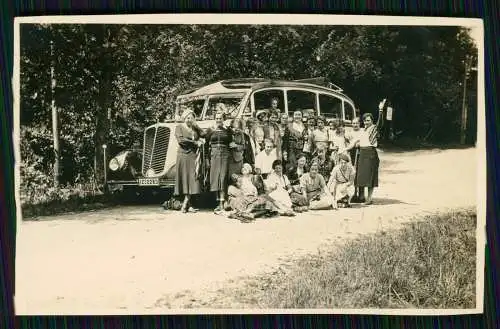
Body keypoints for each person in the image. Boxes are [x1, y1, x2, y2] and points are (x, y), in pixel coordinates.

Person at [347, 102, 385, 205]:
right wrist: (345, 149)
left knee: (370, 177)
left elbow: (380, 123)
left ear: (372, 121)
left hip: (370, 153)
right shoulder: (363, 130)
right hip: (362, 154)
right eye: (365, 120)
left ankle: (369, 198)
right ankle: (361, 196)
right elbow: (355, 142)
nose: (366, 122)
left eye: (368, 120)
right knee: (361, 176)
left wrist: (380, 110)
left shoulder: (374, 128)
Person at [174, 109, 206, 213]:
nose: (189, 120)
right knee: (185, 179)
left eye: (191, 118)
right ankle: (186, 204)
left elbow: (204, 135)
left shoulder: (194, 128)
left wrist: (196, 126)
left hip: (193, 156)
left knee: (192, 179)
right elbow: (181, 140)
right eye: (187, 118)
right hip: (183, 156)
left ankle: (187, 204)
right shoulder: (179, 127)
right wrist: (195, 143)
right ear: (184, 118)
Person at [205, 111, 232, 213]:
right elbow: (206, 145)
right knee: (215, 178)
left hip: (225, 155)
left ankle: (223, 202)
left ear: (223, 119)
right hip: (214, 155)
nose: (218, 120)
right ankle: (218, 203)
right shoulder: (210, 130)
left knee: (223, 177)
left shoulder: (228, 130)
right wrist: (207, 159)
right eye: (216, 118)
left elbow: (231, 142)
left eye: (220, 118)